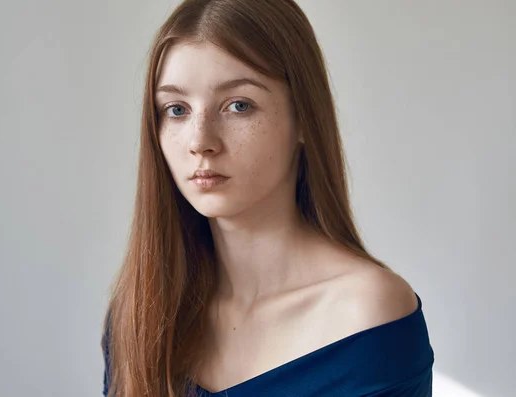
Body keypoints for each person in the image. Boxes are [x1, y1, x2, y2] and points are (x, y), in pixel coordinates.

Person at [101, 0, 434, 396]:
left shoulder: (368, 315)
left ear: (304, 119)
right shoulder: (141, 313)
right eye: (176, 109)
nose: (200, 141)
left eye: (239, 105)